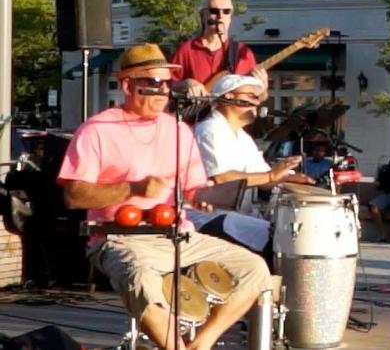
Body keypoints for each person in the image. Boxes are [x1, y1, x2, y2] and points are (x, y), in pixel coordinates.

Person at [57, 44, 270, 350]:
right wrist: (133, 188)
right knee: (142, 278)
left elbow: (195, 188)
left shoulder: (179, 130)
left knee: (255, 269)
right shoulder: (98, 129)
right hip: (118, 238)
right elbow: (74, 196)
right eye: (152, 83)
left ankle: (202, 343)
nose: (162, 90)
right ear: (128, 85)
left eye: (167, 83)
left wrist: (207, 197)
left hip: (177, 235)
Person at [192, 74, 315, 256]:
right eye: (251, 96)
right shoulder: (210, 129)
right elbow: (222, 179)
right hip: (209, 217)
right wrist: (270, 176)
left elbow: (264, 178)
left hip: (237, 216)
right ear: (228, 97)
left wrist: (292, 179)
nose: (257, 102)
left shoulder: (243, 137)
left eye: (258, 97)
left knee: (292, 237)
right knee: (280, 239)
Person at [171, 0, 268, 98]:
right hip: (197, 113)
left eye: (226, 12)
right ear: (202, 16)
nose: (220, 16)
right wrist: (187, 83)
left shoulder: (243, 53)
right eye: (214, 11)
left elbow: (257, 99)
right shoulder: (186, 50)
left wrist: (262, 89)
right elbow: (168, 86)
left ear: (230, 17)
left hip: (229, 114)